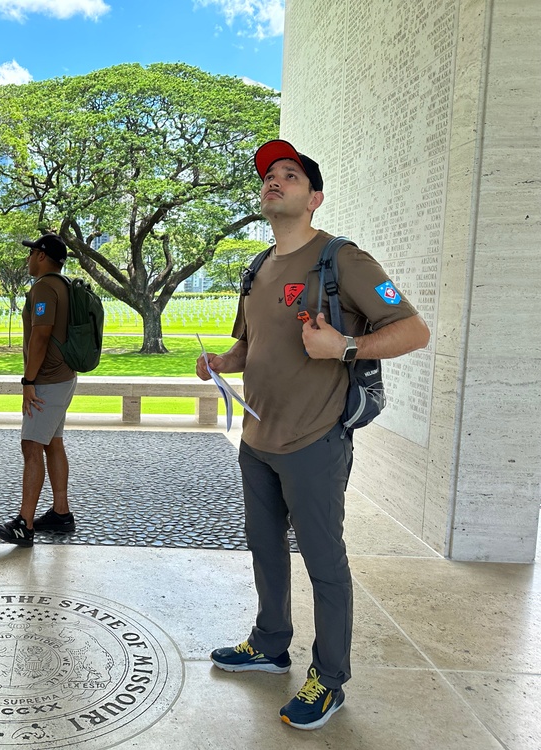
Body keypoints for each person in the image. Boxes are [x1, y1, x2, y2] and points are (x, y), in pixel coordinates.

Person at [198, 140, 430, 730]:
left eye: (290, 174)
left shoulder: (342, 260)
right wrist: (224, 363)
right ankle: (270, 643)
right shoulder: (257, 267)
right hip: (257, 439)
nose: (274, 180)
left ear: (314, 197)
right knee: (264, 546)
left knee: (324, 562)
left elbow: (413, 330)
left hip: (314, 442)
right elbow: (251, 344)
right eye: (269, 175)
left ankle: (329, 678)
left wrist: (345, 346)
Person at [0, 233, 78, 547]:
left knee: (31, 446)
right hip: (64, 376)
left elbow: (40, 336)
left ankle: (24, 524)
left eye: (31, 254)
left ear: (41, 255)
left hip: (47, 381)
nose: (28, 259)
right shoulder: (65, 286)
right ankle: (61, 514)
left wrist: (28, 382)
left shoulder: (43, 287)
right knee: (53, 442)